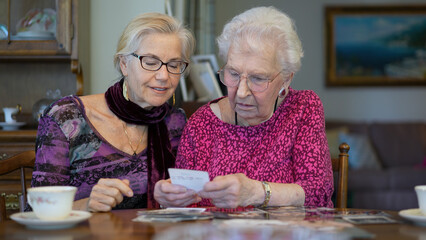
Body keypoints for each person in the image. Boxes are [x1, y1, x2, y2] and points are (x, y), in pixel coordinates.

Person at [154, 6, 333, 208]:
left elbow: (318, 192)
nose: (241, 92)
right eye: (233, 74)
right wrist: (170, 201)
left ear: (285, 80)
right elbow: (186, 208)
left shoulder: (302, 109)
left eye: (257, 78)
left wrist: (257, 192)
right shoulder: (202, 123)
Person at [29, 12, 195, 212]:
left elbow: (185, 201)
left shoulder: (175, 122)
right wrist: (88, 204)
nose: (163, 76)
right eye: (150, 63)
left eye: (174, 65)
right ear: (124, 64)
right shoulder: (66, 117)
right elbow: (38, 212)